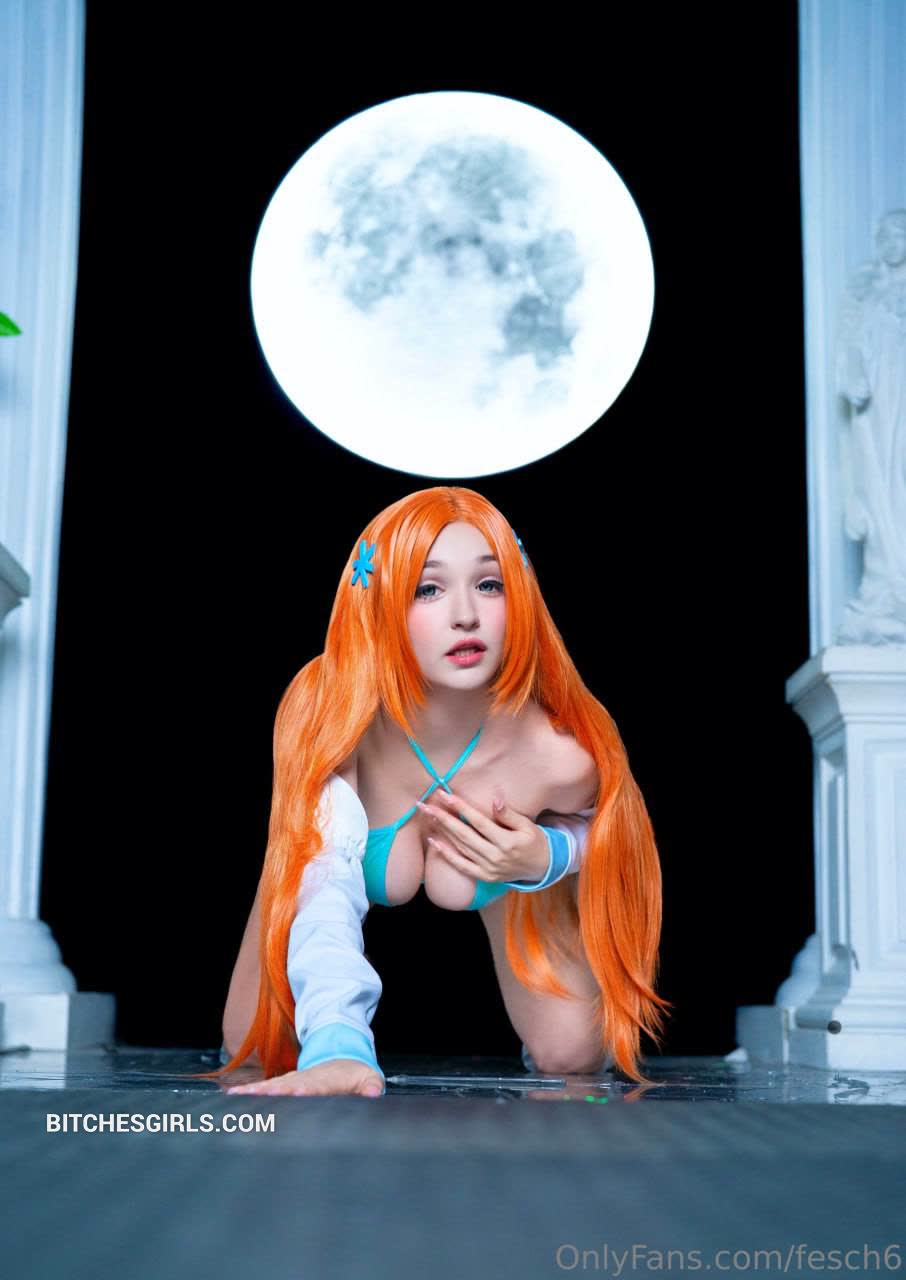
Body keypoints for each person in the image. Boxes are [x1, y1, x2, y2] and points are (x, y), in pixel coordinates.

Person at [194, 486, 671, 1097]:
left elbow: (614, 832)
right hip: (316, 864)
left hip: (508, 868)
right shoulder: (331, 709)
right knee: (256, 1048)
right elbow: (324, 877)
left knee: (575, 1054)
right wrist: (339, 1043)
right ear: (380, 603)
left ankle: (512, 876)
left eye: (490, 584)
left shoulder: (556, 749)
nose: (465, 615)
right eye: (428, 589)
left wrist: (547, 855)